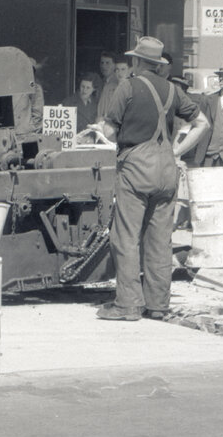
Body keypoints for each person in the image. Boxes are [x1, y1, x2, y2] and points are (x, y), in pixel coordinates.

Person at [87, 36, 208, 322]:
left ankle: (128, 305)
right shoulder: (172, 90)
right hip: (167, 167)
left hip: (136, 167)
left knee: (126, 237)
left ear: (138, 61)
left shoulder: (127, 86)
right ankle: (158, 305)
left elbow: (112, 131)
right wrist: (177, 150)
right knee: (159, 239)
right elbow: (203, 123)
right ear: (158, 64)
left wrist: (99, 129)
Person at [97, 52, 122, 119]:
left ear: (114, 65)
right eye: (102, 63)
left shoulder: (117, 82)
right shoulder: (100, 82)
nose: (103, 66)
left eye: (107, 63)